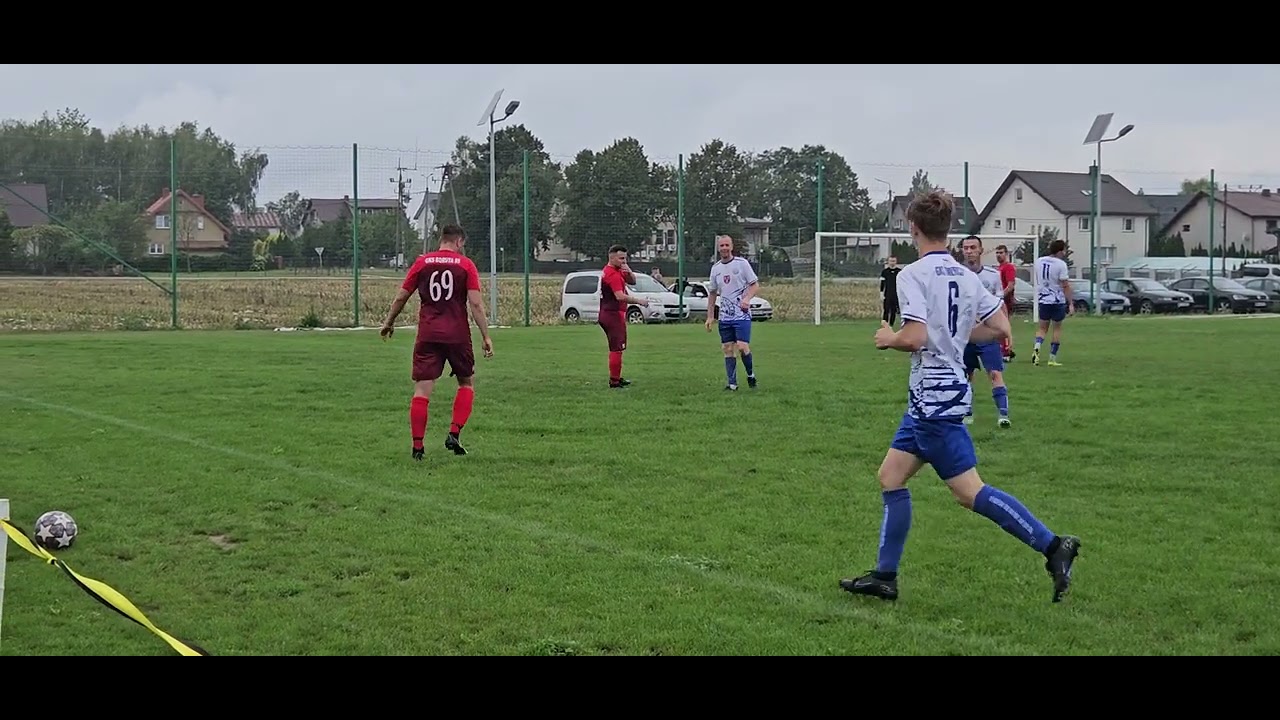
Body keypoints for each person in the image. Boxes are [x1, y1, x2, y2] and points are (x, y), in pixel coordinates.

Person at [840, 191, 1080, 604]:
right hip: (935, 395)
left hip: (934, 398)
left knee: (968, 492)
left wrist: (889, 339)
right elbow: (1002, 328)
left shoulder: (912, 275)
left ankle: (1053, 545)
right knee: (891, 476)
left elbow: (914, 337)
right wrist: (953, 336)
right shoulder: (966, 276)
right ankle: (884, 576)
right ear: (948, 232)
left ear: (912, 228)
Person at [380, 224, 494, 461]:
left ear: (442, 239)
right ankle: (454, 432)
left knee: (422, 389)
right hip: (457, 335)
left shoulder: (422, 262)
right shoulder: (466, 265)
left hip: (428, 334)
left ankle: (418, 447)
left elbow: (402, 295)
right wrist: (485, 336)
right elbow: (475, 304)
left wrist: (389, 322)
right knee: (466, 383)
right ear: (460, 242)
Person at [959, 235, 1011, 428]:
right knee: (965, 375)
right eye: (966, 248)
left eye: (973, 247)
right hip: (965, 335)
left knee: (995, 373)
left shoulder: (992, 275)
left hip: (988, 334)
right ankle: (967, 412)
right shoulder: (957, 274)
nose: (969, 251)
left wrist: (1007, 332)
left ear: (981, 250)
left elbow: (999, 305)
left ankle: (1003, 415)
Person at [705, 234, 760, 390]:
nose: (724, 248)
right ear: (718, 248)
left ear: (732, 246)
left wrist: (747, 298)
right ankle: (732, 384)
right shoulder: (715, 269)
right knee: (728, 349)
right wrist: (710, 316)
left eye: (726, 245)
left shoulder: (742, 264)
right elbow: (713, 293)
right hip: (725, 316)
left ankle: (751, 376)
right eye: (721, 246)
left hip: (741, 315)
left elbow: (755, 285)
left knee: (742, 347)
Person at [599, 245, 649, 389]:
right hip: (612, 314)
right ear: (612, 257)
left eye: (625, 258)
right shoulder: (612, 274)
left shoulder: (616, 270)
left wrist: (629, 271)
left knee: (617, 348)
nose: (624, 261)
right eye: (621, 258)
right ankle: (614, 381)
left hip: (609, 313)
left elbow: (632, 281)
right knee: (617, 348)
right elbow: (619, 296)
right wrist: (639, 301)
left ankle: (616, 377)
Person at [1033, 239, 1073, 367]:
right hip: (1057, 300)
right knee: (1057, 328)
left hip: (1043, 299)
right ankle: (1052, 358)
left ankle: (1037, 349)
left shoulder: (1039, 261)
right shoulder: (1061, 264)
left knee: (1042, 328)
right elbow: (1065, 284)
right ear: (1060, 251)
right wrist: (1070, 303)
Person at [995, 244, 1017, 361]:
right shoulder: (999, 268)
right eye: (997, 253)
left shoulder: (1008, 267)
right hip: (999, 301)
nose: (998, 255)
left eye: (1001, 253)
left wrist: (1000, 296)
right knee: (998, 327)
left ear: (1006, 254)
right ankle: (1003, 349)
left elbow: (1010, 285)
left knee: (1004, 326)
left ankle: (1007, 352)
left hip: (1005, 301)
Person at [880, 256, 901, 326]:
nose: (892, 263)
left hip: (896, 294)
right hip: (887, 294)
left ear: (896, 262)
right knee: (886, 310)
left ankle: (891, 325)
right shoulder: (884, 272)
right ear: (888, 262)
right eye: (891, 261)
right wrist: (881, 293)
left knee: (893, 310)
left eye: (894, 261)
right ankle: (884, 325)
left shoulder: (900, 272)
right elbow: (882, 283)